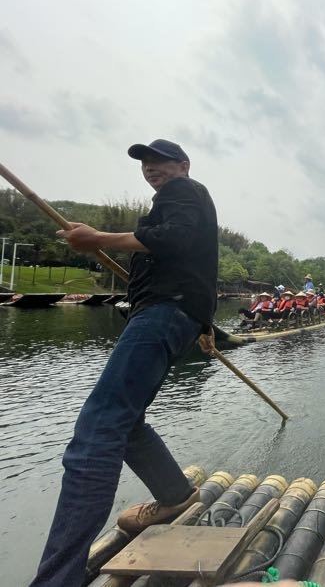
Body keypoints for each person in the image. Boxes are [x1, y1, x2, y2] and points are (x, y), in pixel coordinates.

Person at [31, 139, 218, 587]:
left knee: (98, 428)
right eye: (146, 163)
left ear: (183, 165)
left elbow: (170, 240)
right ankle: (175, 495)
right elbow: (185, 255)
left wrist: (96, 239)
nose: (152, 168)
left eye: (161, 162)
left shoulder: (184, 192)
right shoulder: (179, 204)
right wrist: (204, 322)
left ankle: (58, 579)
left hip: (164, 313)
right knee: (126, 421)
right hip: (176, 314)